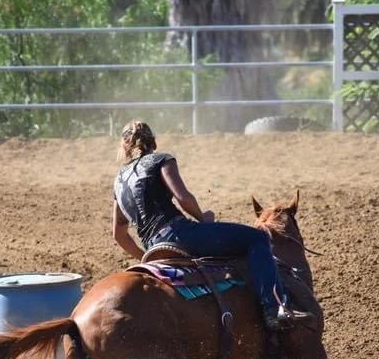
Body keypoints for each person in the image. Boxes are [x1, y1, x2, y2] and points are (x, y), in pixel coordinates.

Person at [111, 119, 309, 331]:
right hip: (181, 234)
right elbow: (183, 198)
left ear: (125, 147)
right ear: (154, 143)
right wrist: (202, 217)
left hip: (154, 246)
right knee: (258, 238)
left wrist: (145, 256)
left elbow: (119, 234)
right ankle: (275, 308)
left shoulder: (119, 181)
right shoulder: (161, 159)